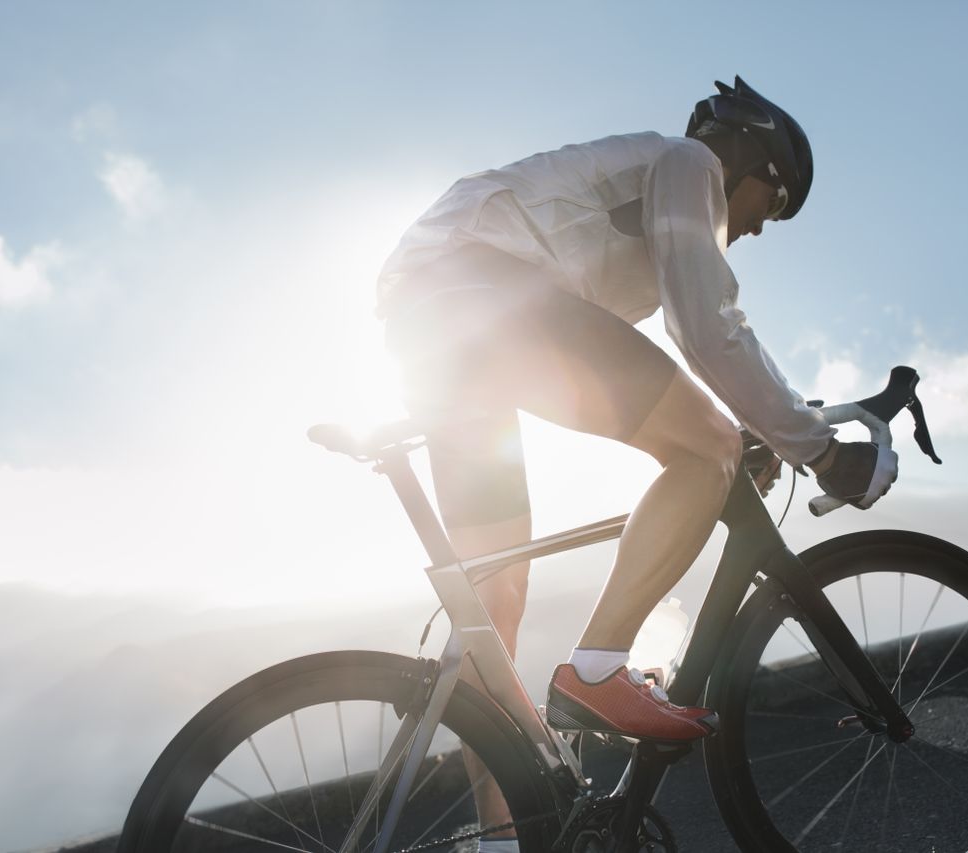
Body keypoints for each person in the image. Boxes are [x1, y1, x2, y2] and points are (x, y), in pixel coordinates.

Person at [377, 76, 895, 850]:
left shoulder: (645, 211)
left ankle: (501, 838)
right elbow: (707, 326)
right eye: (773, 205)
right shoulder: (688, 165)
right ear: (752, 161)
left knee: (494, 607)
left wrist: (744, 427)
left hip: (433, 312)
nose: (757, 228)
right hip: (479, 287)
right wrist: (812, 446)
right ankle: (595, 672)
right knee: (704, 445)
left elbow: (663, 354)